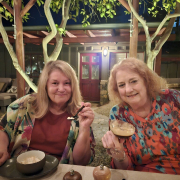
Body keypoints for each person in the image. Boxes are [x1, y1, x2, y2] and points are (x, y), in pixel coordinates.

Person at [0, 60, 95, 166]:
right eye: (55, 83)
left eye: (67, 83)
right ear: (45, 85)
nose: (61, 89)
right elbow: (3, 128)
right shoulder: (26, 104)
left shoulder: (79, 114)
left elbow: (81, 162)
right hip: (22, 168)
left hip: (60, 172)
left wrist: (84, 129)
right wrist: (2, 148)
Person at [102, 57, 180, 174]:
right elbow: (123, 168)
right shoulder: (118, 114)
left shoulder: (173, 99)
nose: (128, 89)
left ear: (146, 80)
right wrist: (119, 154)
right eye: (121, 85)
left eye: (133, 81)